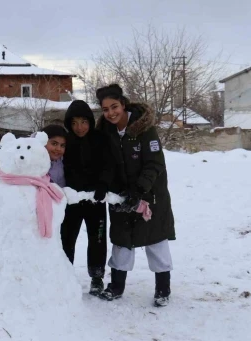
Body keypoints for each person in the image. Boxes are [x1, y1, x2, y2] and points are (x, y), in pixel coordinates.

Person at [95, 84, 175, 307]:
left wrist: (139, 191)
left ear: (123, 104)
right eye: (105, 109)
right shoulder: (106, 132)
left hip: (150, 195)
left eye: (114, 107)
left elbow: (154, 163)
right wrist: (106, 185)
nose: (111, 113)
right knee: (121, 241)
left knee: (155, 241)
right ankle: (116, 287)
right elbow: (107, 164)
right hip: (121, 196)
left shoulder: (144, 129)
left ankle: (162, 289)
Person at [62, 100, 114, 296]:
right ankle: (64, 275)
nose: (79, 127)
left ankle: (97, 276)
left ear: (90, 122)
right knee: (67, 238)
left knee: (97, 238)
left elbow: (109, 165)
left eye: (83, 122)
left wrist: (103, 184)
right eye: (74, 123)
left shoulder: (101, 139)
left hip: (95, 199)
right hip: (72, 201)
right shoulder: (66, 141)